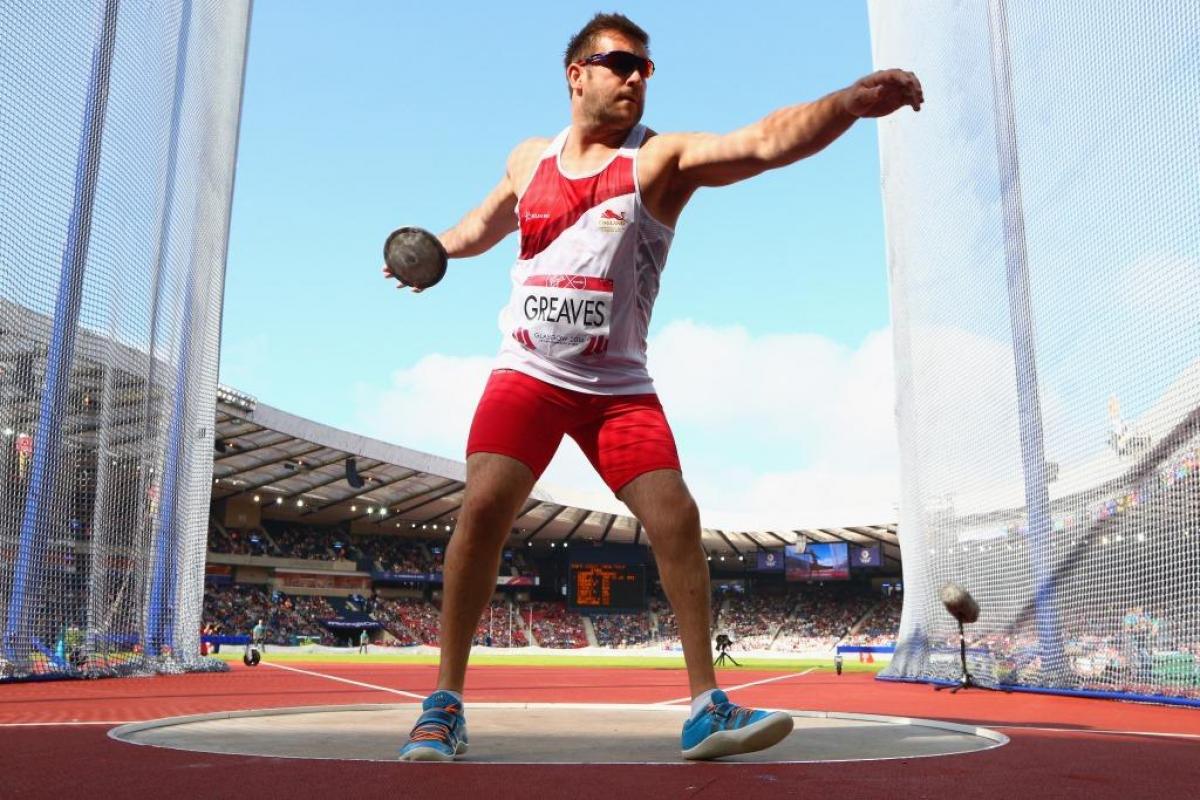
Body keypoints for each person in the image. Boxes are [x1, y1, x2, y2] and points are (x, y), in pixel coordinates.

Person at [387, 13, 922, 762]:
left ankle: (707, 708)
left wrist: (846, 103)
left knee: (676, 517)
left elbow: (763, 141)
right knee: (481, 506)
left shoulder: (658, 160)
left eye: (645, 67)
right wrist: (435, 250)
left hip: (617, 387)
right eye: (618, 63)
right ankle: (443, 704)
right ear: (577, 74)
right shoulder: (527, 160)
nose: (637, 76)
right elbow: (483, 224)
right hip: (530, 374)